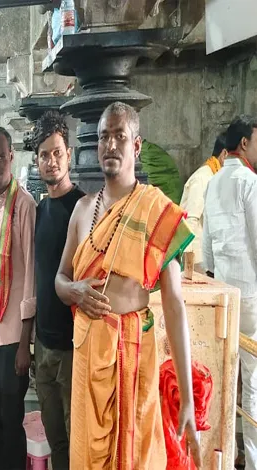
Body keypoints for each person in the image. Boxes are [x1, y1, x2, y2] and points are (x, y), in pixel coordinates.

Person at [55, 102, 201, 469]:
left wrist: (187, 400)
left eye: (120, 136)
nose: (110, 145)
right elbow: (60, 280)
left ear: (135, 146)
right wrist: (75, 291)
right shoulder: (82, 210)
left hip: (132, 360)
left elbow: (174, 305)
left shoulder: (155, 210)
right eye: (104, 136)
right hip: (88, 355)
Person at [0, 127, 36, 469]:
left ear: (11, 156)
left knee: (11, 421)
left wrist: (25, 343)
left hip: (13, 337)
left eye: (1, 157)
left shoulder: (25, 205)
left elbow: (30, 277)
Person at [203, 114, 257, 470]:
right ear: (244, 144)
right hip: (251, 296)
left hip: (223, 295)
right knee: (252, 383)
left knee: (224, 379)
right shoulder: (249, 183)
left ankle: (219, 457)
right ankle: (252, 461)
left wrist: (217, 278)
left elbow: (207, 248)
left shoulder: (213, 182)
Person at [32, 110, 84, 470]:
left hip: (72, 346)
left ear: (69, 154)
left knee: (76, 436)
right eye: (44, 155)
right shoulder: (40, 209)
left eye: (57, 153)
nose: (51, 161)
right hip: (44, 344)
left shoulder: (83, 208)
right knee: (55, 439)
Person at [180, 131, 228, 274]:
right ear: (224, 154)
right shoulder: (202, 178)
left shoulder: (214, 176)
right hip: (197, 259)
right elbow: (191, 220)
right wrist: (190, 262)